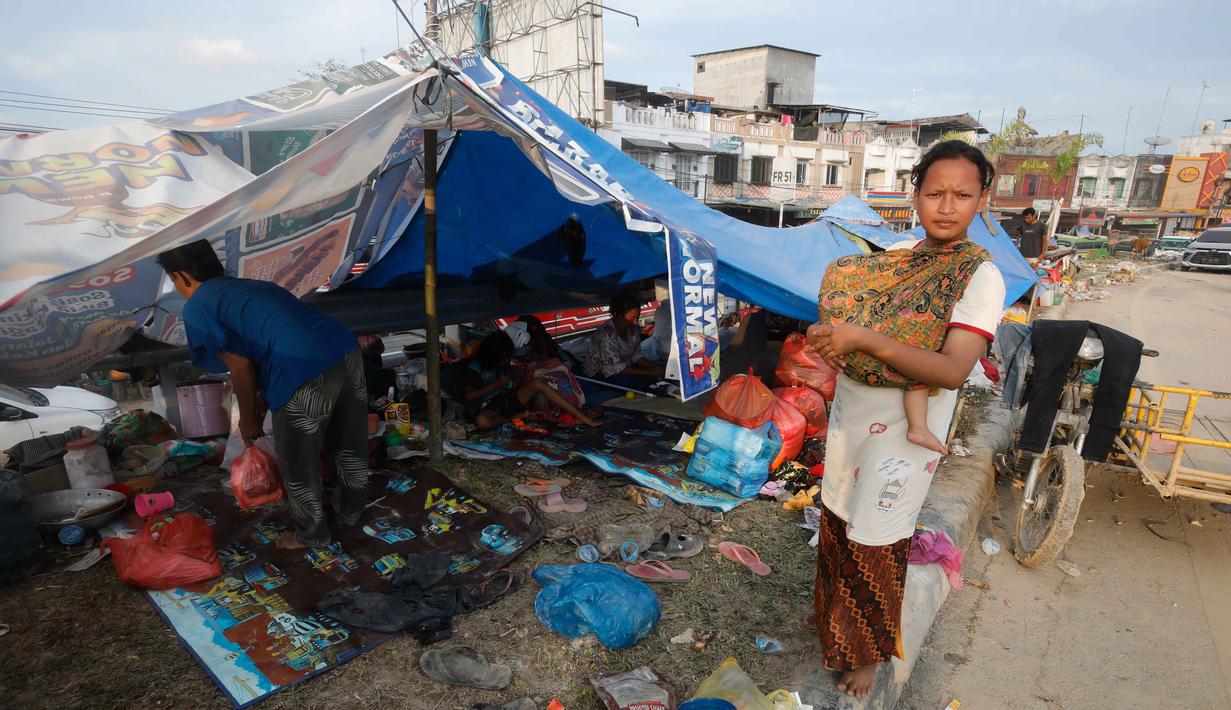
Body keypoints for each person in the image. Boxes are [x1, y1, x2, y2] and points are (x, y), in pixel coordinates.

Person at [806, 140, 1006, 700]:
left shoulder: (978, 277)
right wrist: (831, 340)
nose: (947, 206)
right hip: (854, 412)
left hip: (905, 431)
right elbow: (850, 306)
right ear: (914, 195)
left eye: (963, 195)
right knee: (839, 521)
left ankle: (868, 653)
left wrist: (864, 338)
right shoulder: (899, 257)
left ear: (983, 200)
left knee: (879, 535)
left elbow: (950, 368)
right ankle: (834, 626)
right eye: (935, 193)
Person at [156, 239, 370, 551]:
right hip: (343, 348)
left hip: (302, 364)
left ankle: (311, 535)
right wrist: (260, 402)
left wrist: (248, 420)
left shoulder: (198, 305)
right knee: (348, 440)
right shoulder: (251, 287)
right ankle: (350, 512)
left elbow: (241, 366)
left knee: (298, 457)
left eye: (174, 280)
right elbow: (259, 352)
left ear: (181, 277)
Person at [459, 331, 598, 429]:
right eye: (503, 358)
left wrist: (513, 379)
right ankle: (516, 416)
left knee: (537, 383)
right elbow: (469, 395)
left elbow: (511, 383)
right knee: (482, 420)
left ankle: (579, 416)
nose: (505, 361)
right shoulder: (474, 368)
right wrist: (498, 384)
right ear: (491, 355)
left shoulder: (500, 366)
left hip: (507, 400)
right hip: (488, 406)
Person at [580, 292, 664, 386]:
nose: (636, 322)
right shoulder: (607, 334)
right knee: (629, 381)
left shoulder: (631, 328)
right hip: (600, 372)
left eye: (637, 317)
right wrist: (649, 372)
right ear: (619, 316)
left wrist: (653, 367)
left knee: (652, 371)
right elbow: (614, 368)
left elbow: (636, 355)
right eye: (633, 318)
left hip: (624, 365)